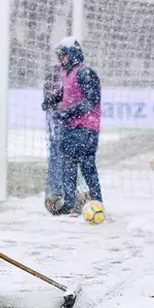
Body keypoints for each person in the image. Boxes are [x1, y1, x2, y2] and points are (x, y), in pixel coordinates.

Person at [47, 37, 102, 215]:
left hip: (87, 127)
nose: (60, 59)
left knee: (87, 165)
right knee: (68, 162)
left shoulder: (85, 73)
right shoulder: (67, 72)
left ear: (72, 55)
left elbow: (92, 100)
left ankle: (97, 201)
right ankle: (70, 202)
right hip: (70, 126)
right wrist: (52, 100)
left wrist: (69, 111)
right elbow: (67, 91)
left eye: (63, 55)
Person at [41, 63, 64, 214]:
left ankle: (64, 193)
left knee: (65, 156)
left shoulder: (77, 74)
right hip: (56, 120)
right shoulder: (53, 73)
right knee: (56, 153)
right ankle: (56, 194)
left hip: (68, 121)